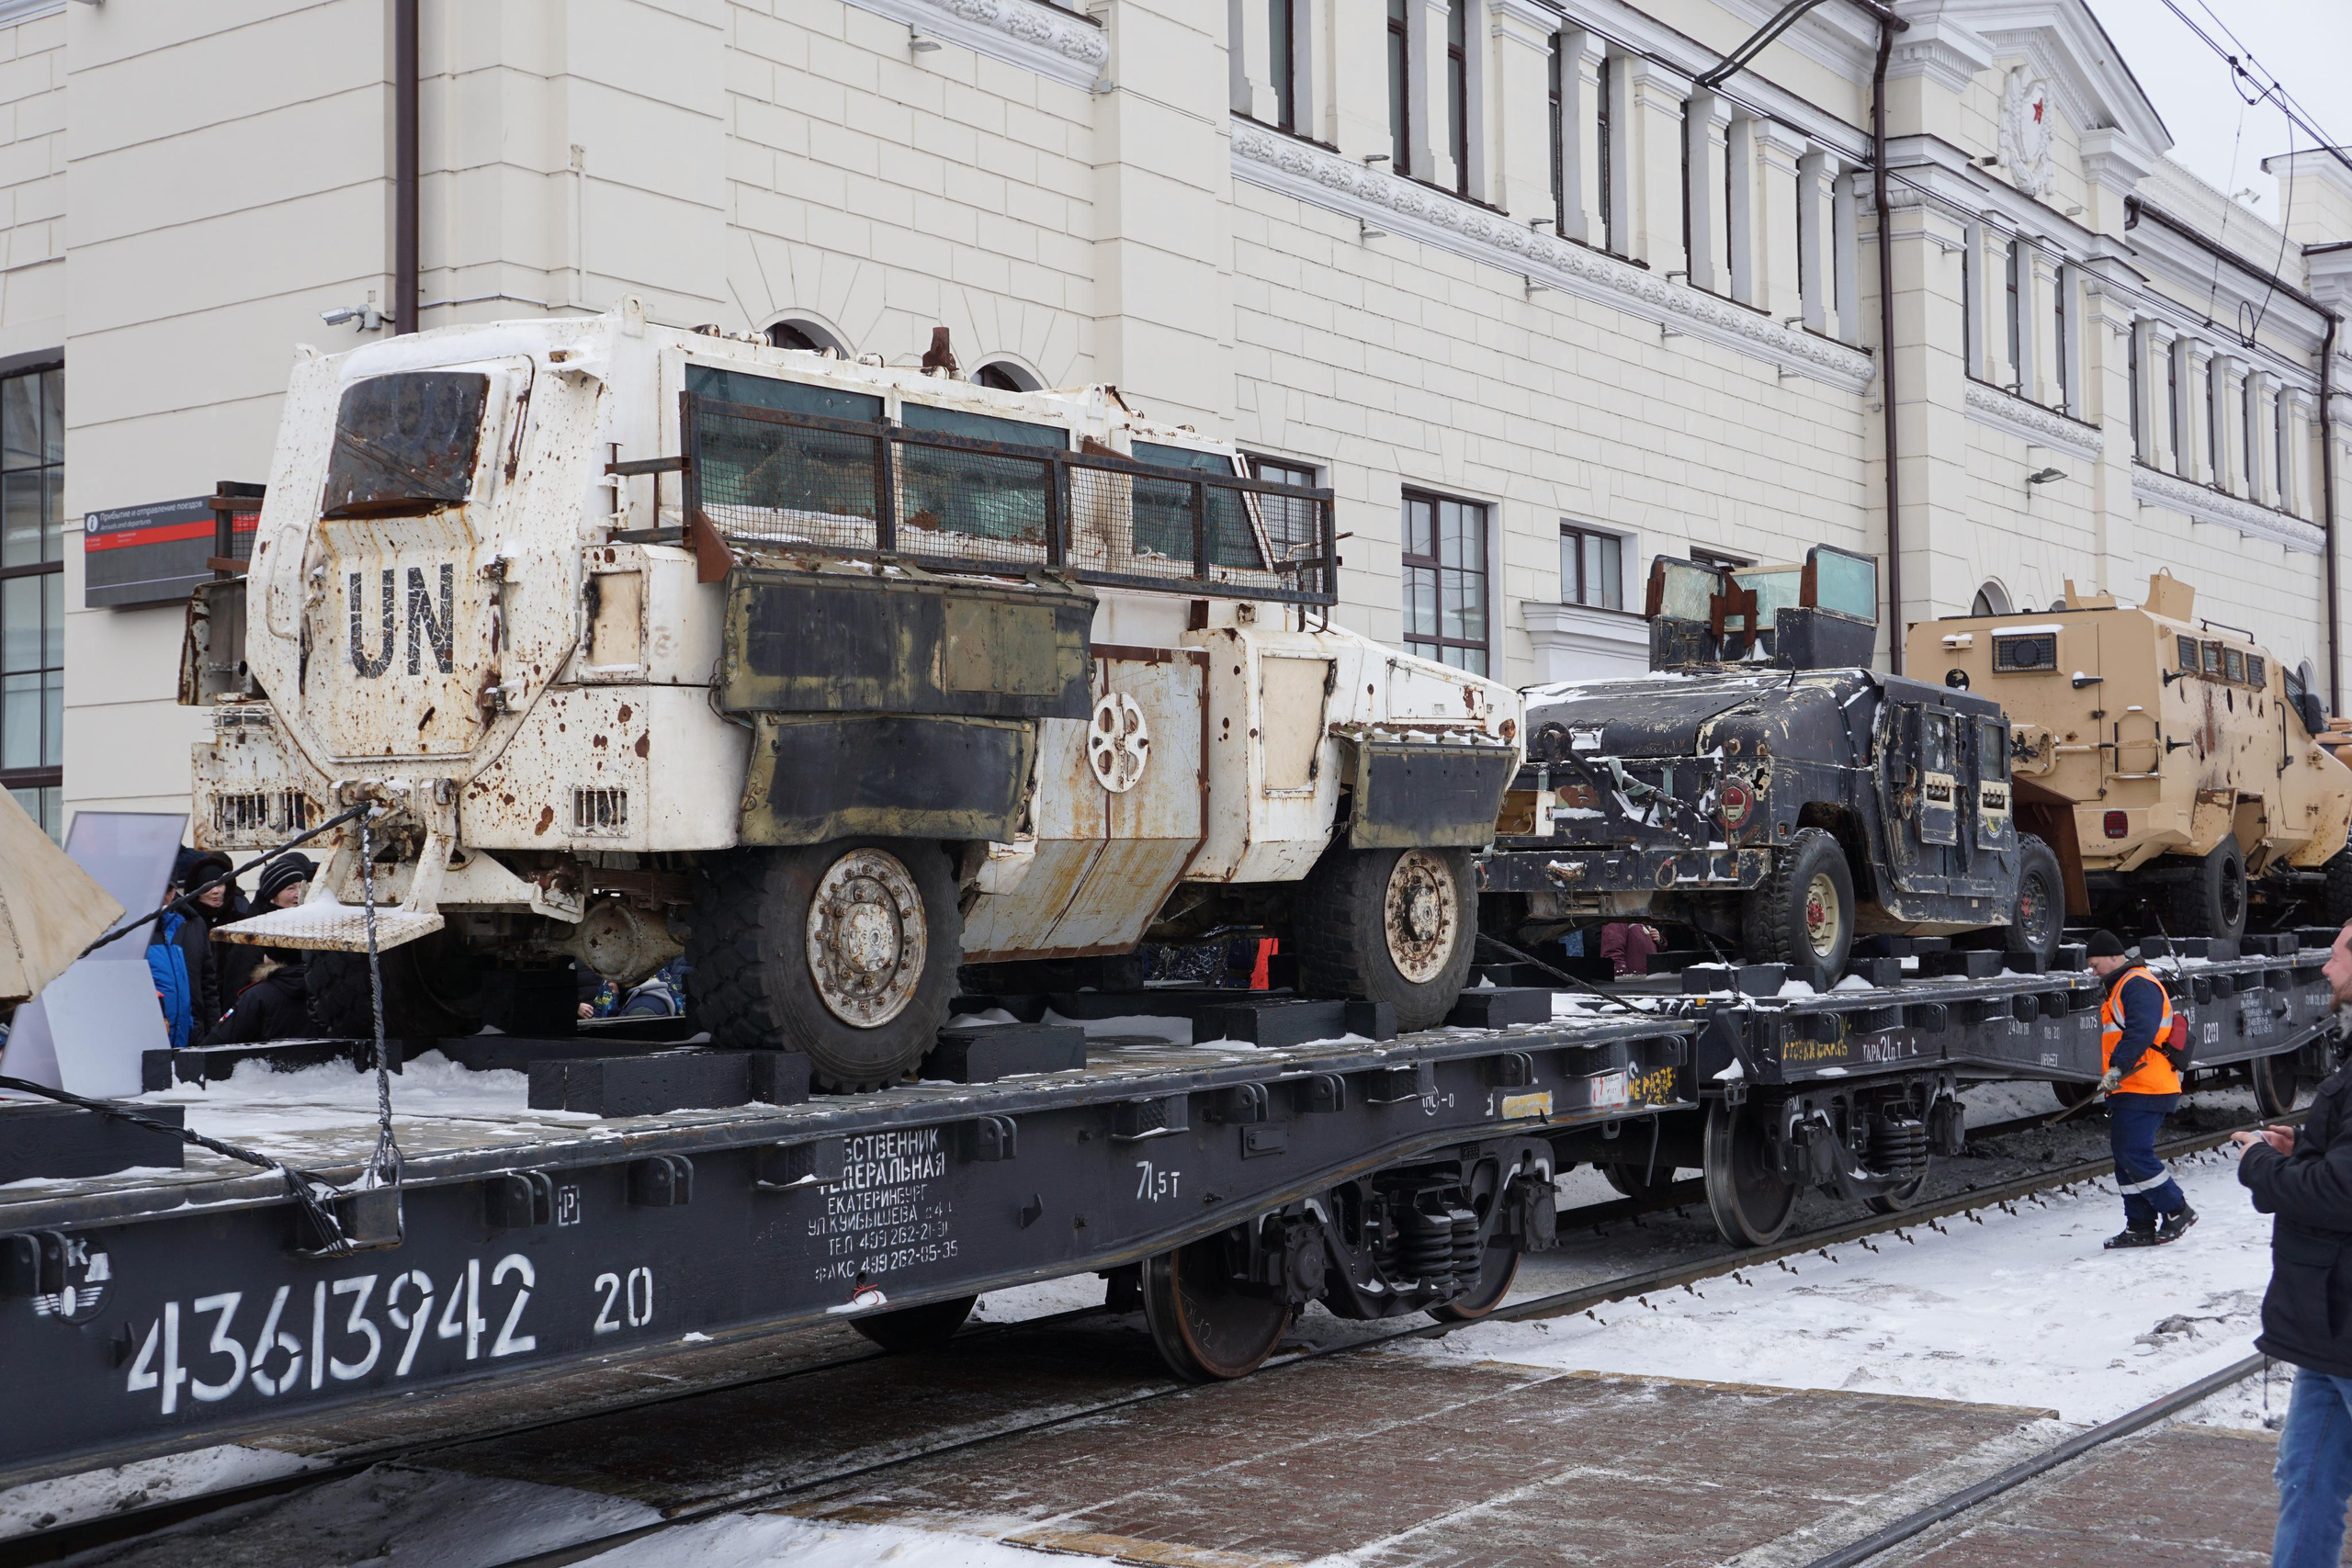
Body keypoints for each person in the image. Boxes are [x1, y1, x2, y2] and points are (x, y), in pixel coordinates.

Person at [2234, 921, 2352, 1568]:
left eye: (2338, 952)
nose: (2326, 965)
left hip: (2343, 1312)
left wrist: (2259, 1164)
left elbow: (2342, 1192)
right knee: (2306, 1482)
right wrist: (2299, 1149)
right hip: (2328, 1324)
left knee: (2309, 1481)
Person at [2085, 929, 2194, 1247]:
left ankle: (2177, 1209)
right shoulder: (2122, 985)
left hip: (2148, 1084)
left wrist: (2117, 1066)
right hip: (2134, 1085)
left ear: (2114, 957)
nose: (2094, 972)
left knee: (2133, 1151)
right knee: (2125, 1155)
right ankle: (2139, 1225)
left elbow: (2142, 1031)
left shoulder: (2137, 984)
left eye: (2095, 964)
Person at [219, 853, 312, 1005]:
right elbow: (236, 995)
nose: (298, 894)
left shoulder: (304, 927)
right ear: (272, 896)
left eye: (302, 887)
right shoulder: (251, 937)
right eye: (291, 888)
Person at [201, 949, 311, 1044]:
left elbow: (219, 1040)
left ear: (269, 958)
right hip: (318, 1066)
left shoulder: (257, 996)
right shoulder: (320, 991)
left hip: (266, 1066)